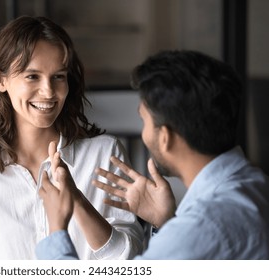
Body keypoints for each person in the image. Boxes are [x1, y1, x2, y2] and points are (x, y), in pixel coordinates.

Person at [0, 16, 143, 260]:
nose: (49, 91)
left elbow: (127, 259)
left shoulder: (104, 154)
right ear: (1, 80)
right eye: (32, 76)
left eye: (58, 76)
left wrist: (78, 202)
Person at [36, 50, 269, 260]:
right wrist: (166, 220)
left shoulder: (203, 224)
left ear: (165, 137)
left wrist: (56, 228)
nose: (143, 132)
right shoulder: (254, 185)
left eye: (143, 120)